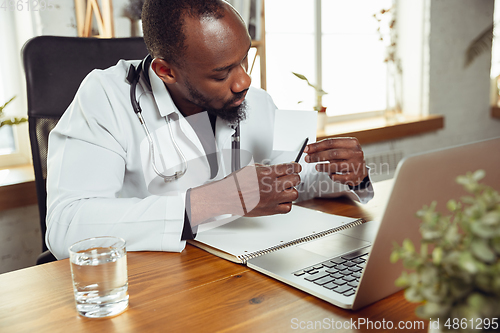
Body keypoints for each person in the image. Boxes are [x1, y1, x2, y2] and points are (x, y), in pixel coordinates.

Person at [46, 0, 373, 259]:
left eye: (245, 60)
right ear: (166, 71)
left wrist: (348, 173)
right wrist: (213, 202)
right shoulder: (105, 96)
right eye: (221, 73)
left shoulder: (252, 100)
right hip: (152, 289)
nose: (244, 81)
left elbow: (289, 181)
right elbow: (67, 226)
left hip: (237, 273)